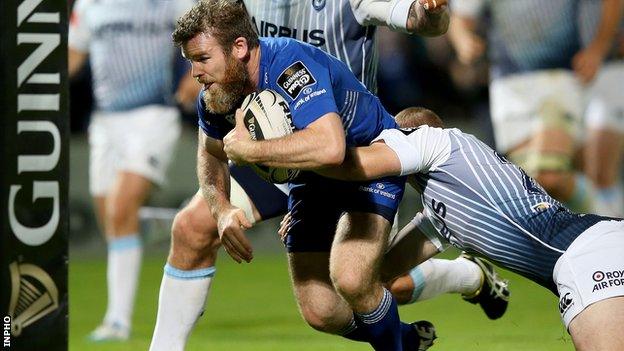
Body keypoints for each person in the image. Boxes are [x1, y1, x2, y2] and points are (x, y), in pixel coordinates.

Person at [149, 0, 509, 349]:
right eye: (192, 62)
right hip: (299, 165)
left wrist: (429, 12)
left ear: (240, 47)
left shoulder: (294, 60)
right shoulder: (220, 87)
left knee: (366, 280)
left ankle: (462, 269)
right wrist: (222, 208)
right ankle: (402, 337)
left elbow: (331, 147)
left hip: (360, 155)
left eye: (201, 60)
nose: (196, 73)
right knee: (320, 309)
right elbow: (212, 152)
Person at [281, 107, 624, 350]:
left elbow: (359, 166)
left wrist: (303, 171)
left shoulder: (434, 141)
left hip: (583, 257)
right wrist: (312, 221)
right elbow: (378, 275)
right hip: (598, 245)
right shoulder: (442, 212)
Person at [68, 0, 199, 341]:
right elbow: (73, 54)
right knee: (112, 221)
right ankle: (164, 223)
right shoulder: (89, 3)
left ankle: (117, 321)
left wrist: (194, 72)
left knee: (120, 209)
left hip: (152, 115)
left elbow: (206, 29)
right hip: (103, 122)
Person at [447, 0, 623, 214]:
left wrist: (598, 49)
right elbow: (460, 18)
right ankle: (600, 217)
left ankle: (609, 221)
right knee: (532, 183)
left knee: (551, 176)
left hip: (561, 79)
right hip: (509, 88)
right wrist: (463, 41)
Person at [578, 1, 624, 217]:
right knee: (585, 172)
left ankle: (613, 239)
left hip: (612, 69)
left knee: (600, 171)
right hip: (575, 73)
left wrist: (598, 49)